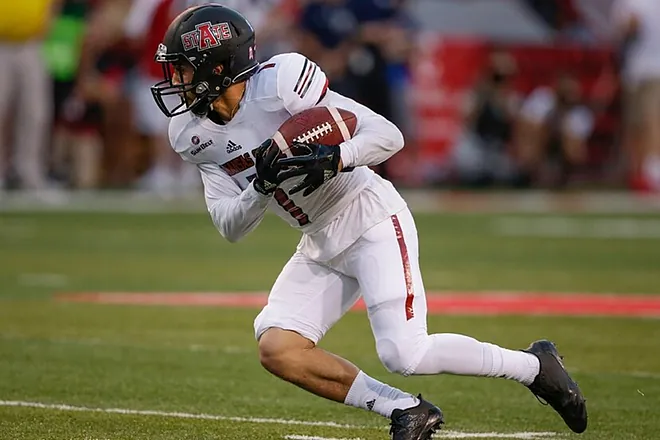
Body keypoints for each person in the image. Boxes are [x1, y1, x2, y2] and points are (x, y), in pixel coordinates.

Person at [151, 5, 588, 439]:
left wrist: (337, 157)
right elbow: (230, 225)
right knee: (278, 347)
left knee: (406, 354)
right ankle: (406, 410)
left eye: (183, 69)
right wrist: (260, 187)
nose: (176, 80)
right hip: (318, 240)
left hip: (369, 217)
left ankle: (535, 367)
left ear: (218, 67)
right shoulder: (191, 132)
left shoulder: (280, 85)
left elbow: (388, 136)